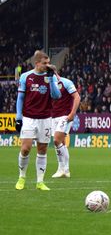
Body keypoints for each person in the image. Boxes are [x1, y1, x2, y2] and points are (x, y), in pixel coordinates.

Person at [15, 51, 62, 191]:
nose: (47, 65)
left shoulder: (50, 77)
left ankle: (40, 182)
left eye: (48, 63)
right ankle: (21, 178)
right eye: (44, 63)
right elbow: (20, 98)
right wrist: (18, 117)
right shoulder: (26, 77)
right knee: (25, 148)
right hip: (29, 118)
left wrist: (51, 79)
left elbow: (56, 95)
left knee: (42, 149)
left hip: (46, 118)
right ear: (37, 63)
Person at [51, 74, 81, 178]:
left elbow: (77, 97)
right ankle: (65, 170)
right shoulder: (48, 83)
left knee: (56, 140)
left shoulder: (66, 82)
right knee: (60, 143)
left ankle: (62, 169)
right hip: (52, 117)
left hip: (65, 116)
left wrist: (72, 113)